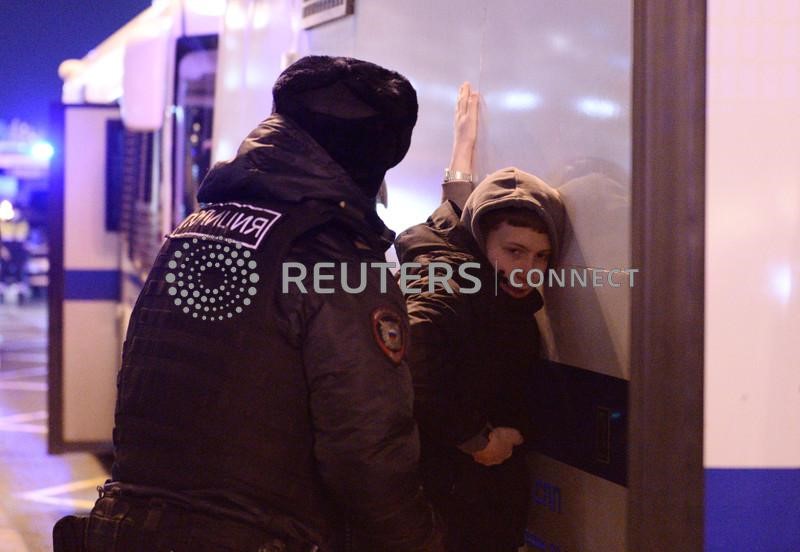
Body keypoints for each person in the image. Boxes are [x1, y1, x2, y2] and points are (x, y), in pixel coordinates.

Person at [55, 56, 442, 552]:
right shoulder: (332, 258)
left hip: (126, 527)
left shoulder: (193, 229)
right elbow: (367, 451)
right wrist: (419, 538)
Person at [395, 83, 566, 552]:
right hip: (450, 499)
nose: (526, 269)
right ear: (481, 242)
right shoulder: (448, 277)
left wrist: (464, 148)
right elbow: (416, 355)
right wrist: (476, 440)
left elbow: (462, 208)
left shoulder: (467, 254)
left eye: (541, 256)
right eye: (514, 252)